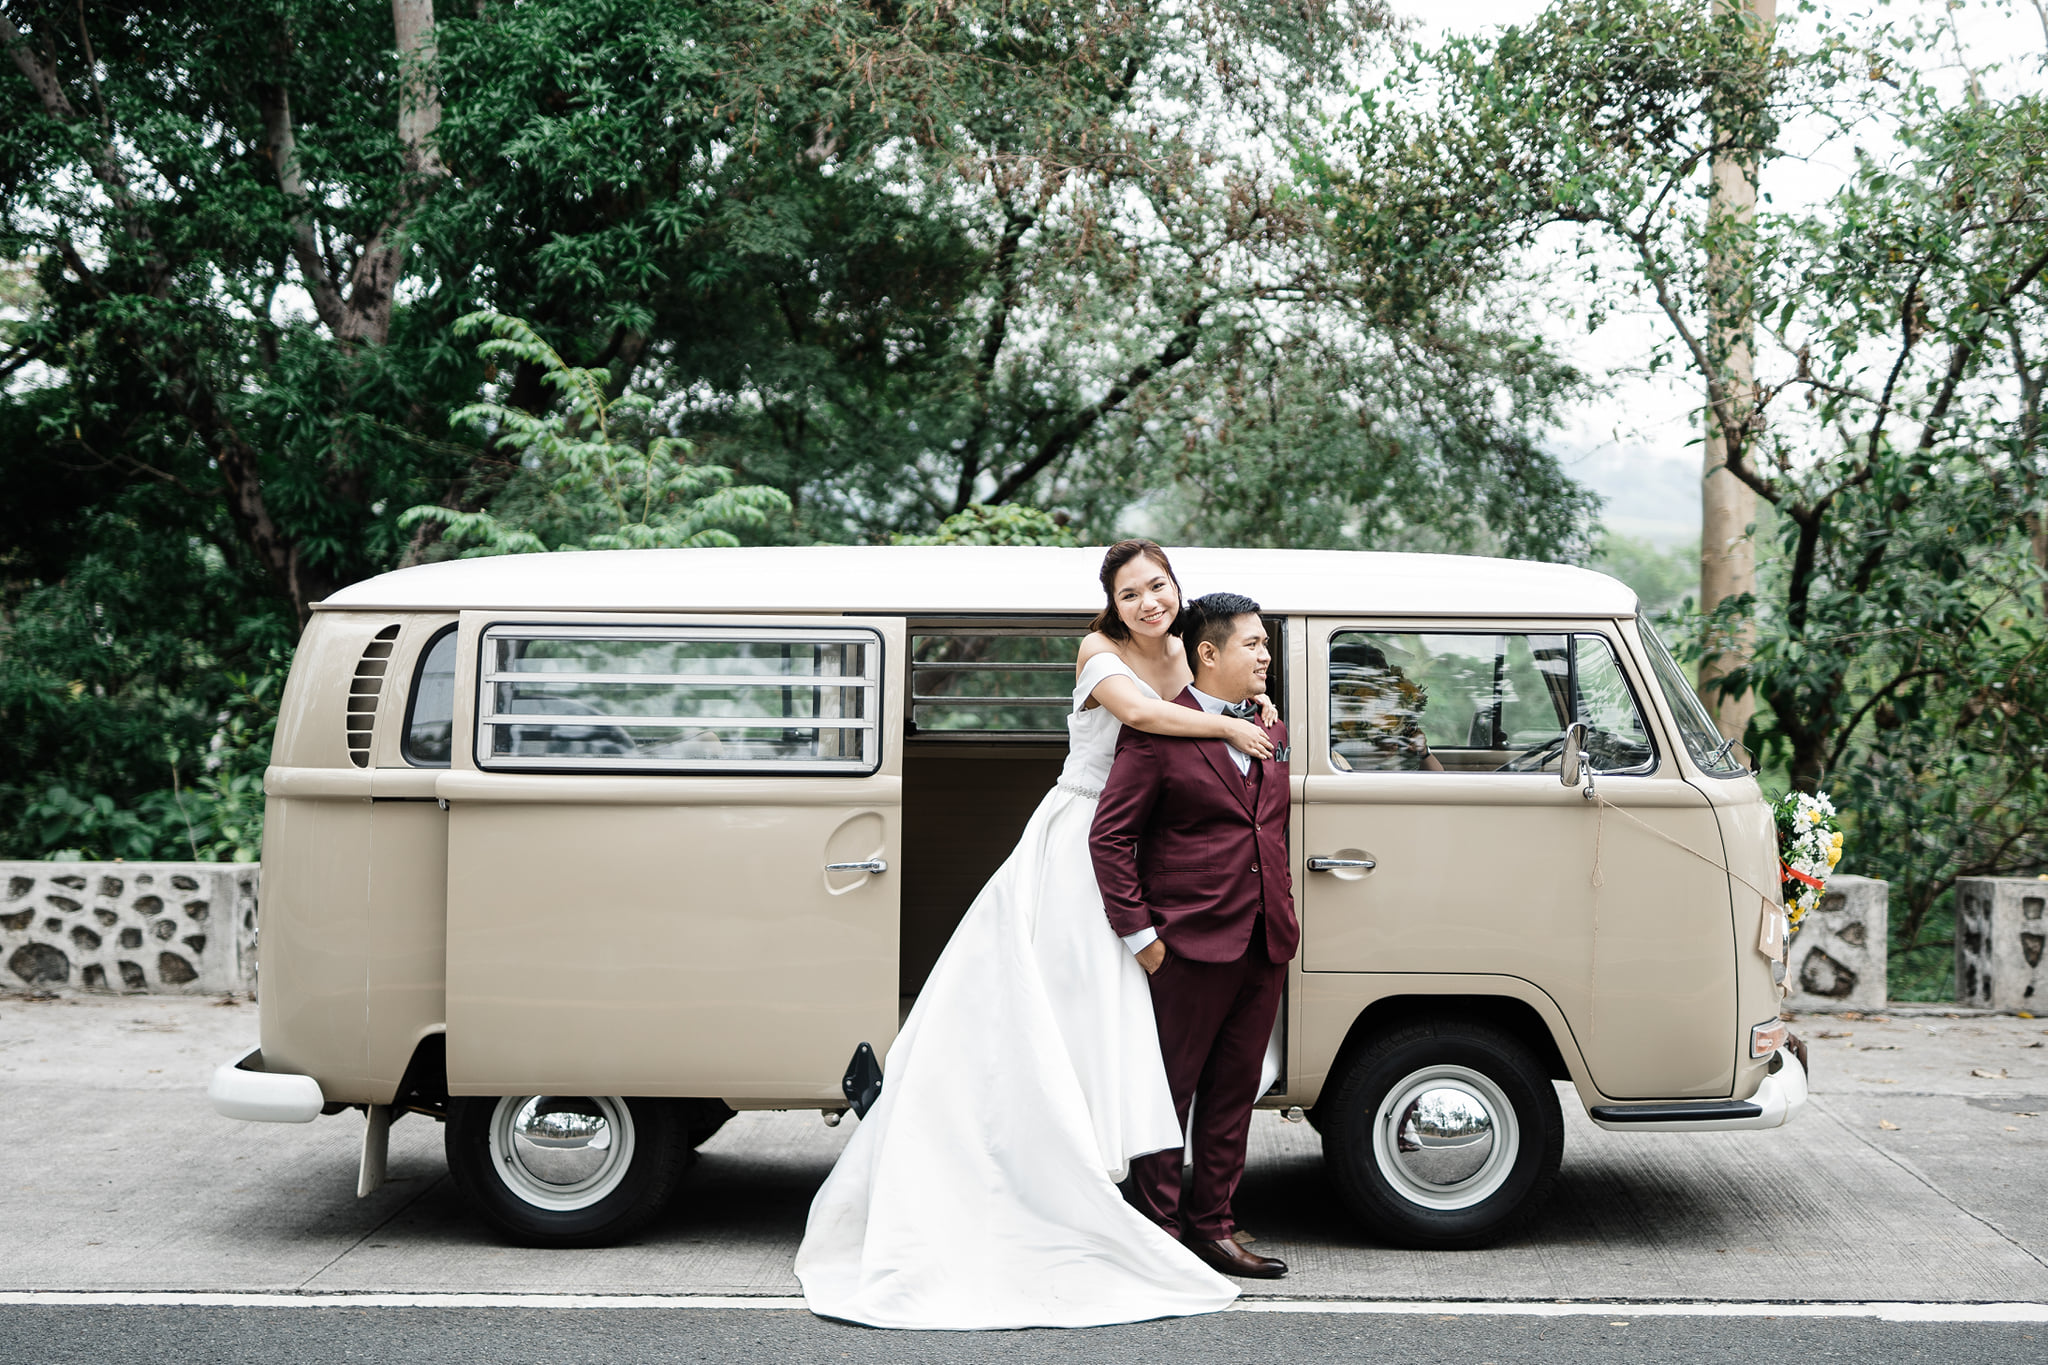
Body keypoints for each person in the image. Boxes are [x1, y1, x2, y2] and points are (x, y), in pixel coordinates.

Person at [794, 541, 1278, 1330]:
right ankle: (1060, 1182)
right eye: (1130, 592)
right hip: (1082, 834)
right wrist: (1231, 726)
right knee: (1056, 1009)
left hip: (1152, 845)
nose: (1149, 601)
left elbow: (1207, 696)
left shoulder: (1186, 659)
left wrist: (1247, 706)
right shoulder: (1100, 652)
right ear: (1111, 604)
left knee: (1123, 1030)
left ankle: (1139, 1193)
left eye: (1158, 585)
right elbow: (1143, 718)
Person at [1090, 592, 1299, 1280]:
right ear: (1208, 652)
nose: (1265, 655)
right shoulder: (1156, 729)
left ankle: (1214, 1228)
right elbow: (1110, 837)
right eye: (1252, 644)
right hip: (1183, 945)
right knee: (1168, 1093)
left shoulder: (1271, 725)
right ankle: (1157, 1235)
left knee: (1234, 1094)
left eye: (1265, 643)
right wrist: (1142, 938)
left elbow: (1267, 826)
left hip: (1264, 940)